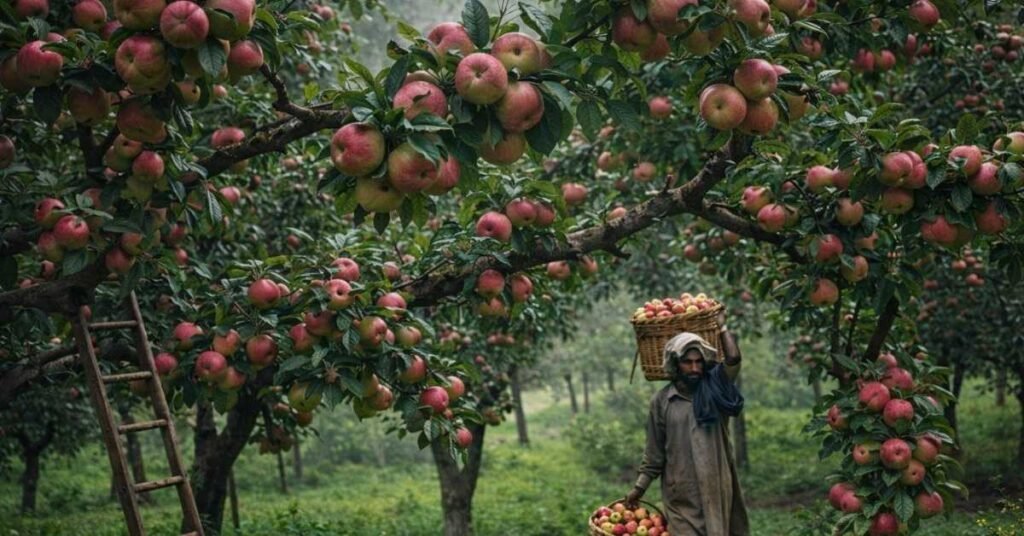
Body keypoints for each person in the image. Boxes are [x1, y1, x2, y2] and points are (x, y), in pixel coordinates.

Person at [624, 311, 749, 536]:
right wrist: (639, 488)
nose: (694, 369)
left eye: (698, 362)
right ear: (675, 364)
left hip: (716, 488)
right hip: (681, 496)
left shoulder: (715, 390)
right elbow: (654, 454)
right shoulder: (662, 402)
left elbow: (733, 360)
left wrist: (722, 327)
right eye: (687, 362)